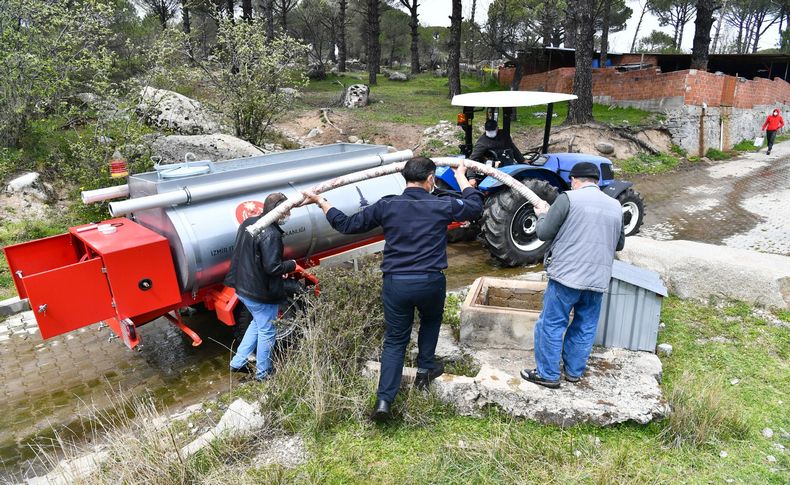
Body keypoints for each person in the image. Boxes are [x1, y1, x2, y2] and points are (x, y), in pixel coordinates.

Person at [302, 157, 483, 421]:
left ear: (404, 178)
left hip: (396, 282)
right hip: (430, 280)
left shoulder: (388, 204)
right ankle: (425, 369)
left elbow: (346, 225)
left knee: (396, 340)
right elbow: (475, 206)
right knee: (431, 322)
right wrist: (461, 177)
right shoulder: (441, 204)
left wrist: (321, 202)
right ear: (431, 179)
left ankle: (384, 401)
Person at [521, 162, 625, 389]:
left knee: (551, 324)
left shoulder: (568, 198)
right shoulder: (616, 205)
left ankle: (548, 375)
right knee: (585, 325)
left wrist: (541, 215)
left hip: (566, 277)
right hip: (597, 279)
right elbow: (619, 244)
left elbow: (544, 232)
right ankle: (573, 373)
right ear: (596, 181)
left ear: (574, 180)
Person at [225, 192, 296, 381]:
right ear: (279, 212)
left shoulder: (249, 223)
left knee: (257, 323)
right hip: (260, 291)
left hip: (242, 286)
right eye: (287, 211)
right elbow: (273, 267)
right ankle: (263, 373)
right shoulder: (271, 234)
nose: (289, 215)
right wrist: (292, 265)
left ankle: (238, 362)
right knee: (267, 330)